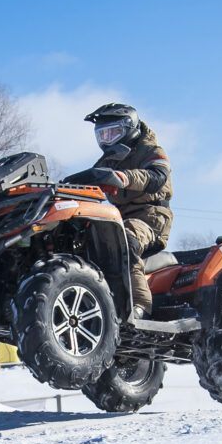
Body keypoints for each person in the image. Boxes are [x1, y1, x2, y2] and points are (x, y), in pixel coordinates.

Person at [72, 103, 173, 319]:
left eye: (113, 132)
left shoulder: (152, 150)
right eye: (103, 135)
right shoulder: (109, 160)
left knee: (124, 240)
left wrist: (124, 178)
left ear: (130, 129)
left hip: (151, 218)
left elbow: (157, 177)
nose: (107, 139)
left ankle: (141, 307)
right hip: (119, 218)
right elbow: (91, 181)